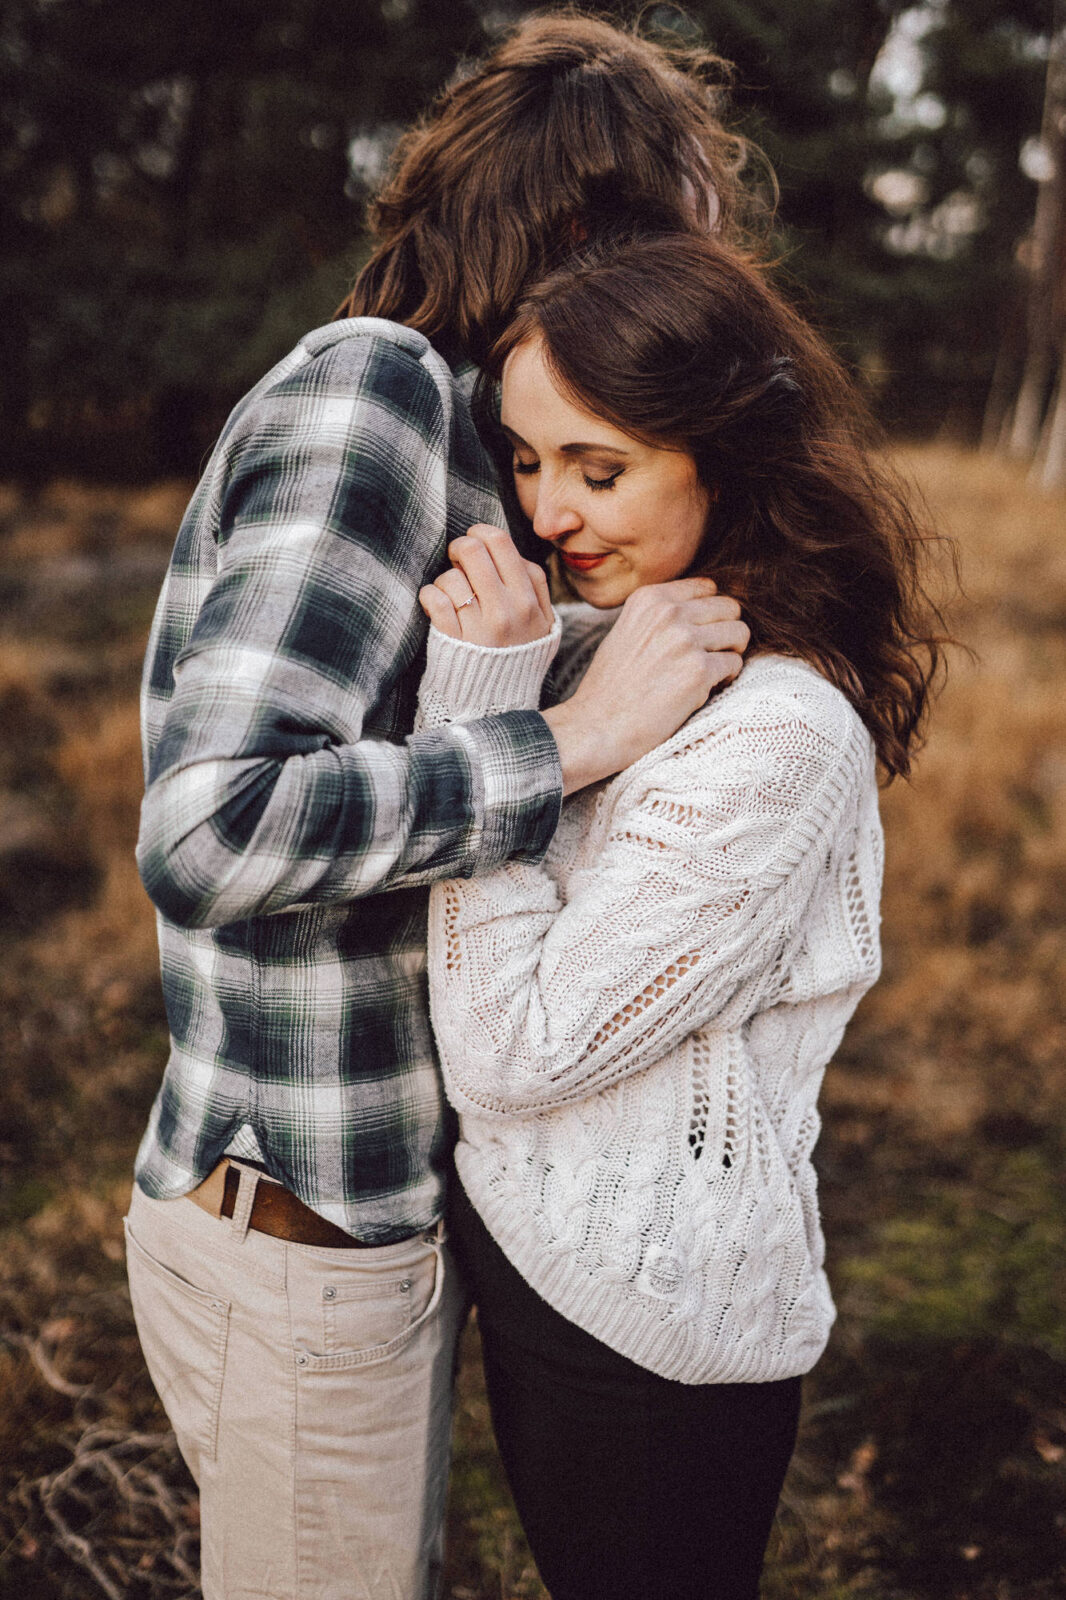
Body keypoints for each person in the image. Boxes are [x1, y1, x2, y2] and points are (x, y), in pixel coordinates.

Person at [125, 14, 760, 1600]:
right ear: (569, 230)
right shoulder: (377, 392)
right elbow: (213, 827)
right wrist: (573, 740)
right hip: (303, 1235)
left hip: (359, 1228)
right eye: (672, 240)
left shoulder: (472, 440)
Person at [417, 232, 944, 1600]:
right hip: (548, 1270)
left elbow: (513, 1050)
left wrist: (492, 724)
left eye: (601, 470)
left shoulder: (779, 733)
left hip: (648, 1330)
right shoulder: (632, 643)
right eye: (527, 462)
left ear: (730, 454)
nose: (548, 514)